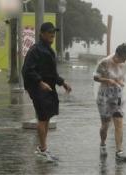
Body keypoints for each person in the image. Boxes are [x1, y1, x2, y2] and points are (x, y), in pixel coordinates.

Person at [22, 22, 72, 161]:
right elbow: (27, 70)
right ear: (42, 34)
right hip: (38, 88)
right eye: (50, 32)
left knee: (48, 116)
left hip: (49, 87)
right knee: (43, 118)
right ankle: (42, 149)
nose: (52, 35)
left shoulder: (50, 50)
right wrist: (39, 82)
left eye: (54, 32)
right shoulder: (35, 50)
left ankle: (43, 147)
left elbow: (52, 73)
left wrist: (63, 83)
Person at [93, 41, 126, 163]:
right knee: (105, 125)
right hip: (104, 96)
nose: (124, 61)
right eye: (123, 58)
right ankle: (103, 143)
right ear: (117, 55)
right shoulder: (105, 62)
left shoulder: (125, 64)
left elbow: (122, 78)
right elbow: (95, 77)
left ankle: (119, 152)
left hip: (117, 96)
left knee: (119, 122)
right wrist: (108, 80)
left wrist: (119, 82)